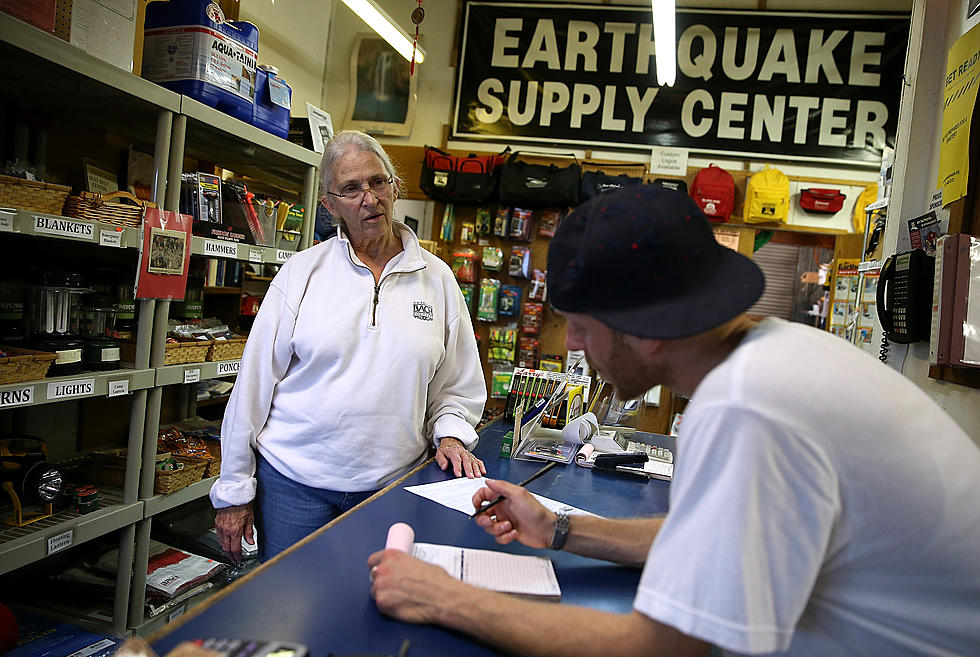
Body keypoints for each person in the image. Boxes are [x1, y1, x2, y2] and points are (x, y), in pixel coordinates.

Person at [368, 186, 980, 656]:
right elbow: (711, 540)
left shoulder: (749, 404)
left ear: (644, 330)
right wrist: (560, 529)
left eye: (582, 323)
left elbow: (660, 648)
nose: (574, 342)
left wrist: (444, 597)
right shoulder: (773, 352)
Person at [212, 130, 487, 562]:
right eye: (351, 189)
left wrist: (451, 436)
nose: (369, 199)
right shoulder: (302, 274)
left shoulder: (438, 280)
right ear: (330, 205)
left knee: (374, 608)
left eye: (378, 182)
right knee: (288, 613)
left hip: (392, 487)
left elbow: (456, 386)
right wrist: (234, 490)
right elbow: (252, 388)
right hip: (292, 487)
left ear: (395, 187)